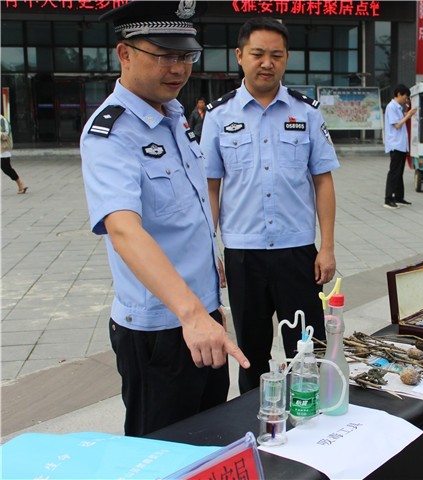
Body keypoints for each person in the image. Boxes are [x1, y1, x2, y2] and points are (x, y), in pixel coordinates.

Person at [80, 0, 250, 437]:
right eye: (164, 56)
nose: (177, 68)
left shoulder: (176, 117)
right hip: (160, 330)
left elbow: (187, 216)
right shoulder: (111, 132)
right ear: (125, 54)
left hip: (200, 320)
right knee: (162, 451)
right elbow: (123, 229)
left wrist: (208, 302)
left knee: (208, 438)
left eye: (185, 55)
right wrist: (192, 312)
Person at [200, 17, 339, 392]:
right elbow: (210, 187)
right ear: (239, 56)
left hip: (297, 253)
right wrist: (207, 249)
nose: (267, 63)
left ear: (286, 58)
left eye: (276, 55)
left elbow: (323, 181)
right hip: (243, 254)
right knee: (251, 351)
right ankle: (256, 422)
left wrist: (326, 247)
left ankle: (312, 421)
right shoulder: (218, 116)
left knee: (309, 347)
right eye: (258, 54)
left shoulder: (306, 112)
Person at [383, 84, 416, 209]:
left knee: (399, 172)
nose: (406, 100)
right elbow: (396, 125)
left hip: (401, 145)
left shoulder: (397, 108)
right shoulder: (391, 107)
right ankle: (388, 198)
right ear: (399, 95)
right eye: (405, 97)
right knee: (394, 172)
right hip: (395, 145)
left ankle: (398, 197)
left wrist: (406, 114)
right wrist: (408, 116)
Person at [1, 114, 28, 194]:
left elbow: (7, 133)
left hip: (2, 149)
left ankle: (19, 183)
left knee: (6, 169)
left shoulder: (2, 120)